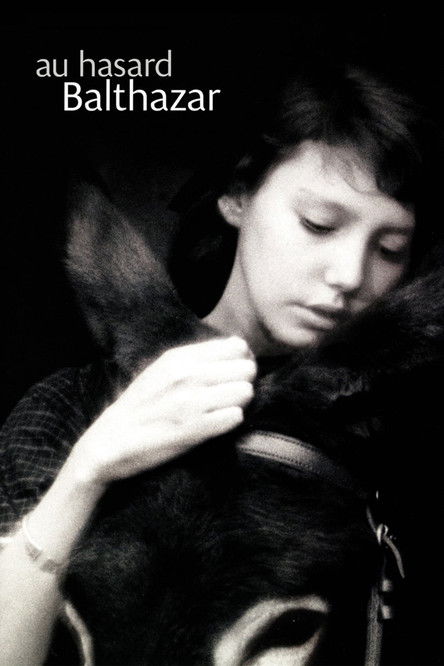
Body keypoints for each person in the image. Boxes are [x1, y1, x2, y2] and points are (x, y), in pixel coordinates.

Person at [0, 63, 441, 665]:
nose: (350, 275)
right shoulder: (70, 408)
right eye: (318, 224)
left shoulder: (401, 438)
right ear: (236, 195)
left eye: (390, 249)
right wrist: (86, 473)